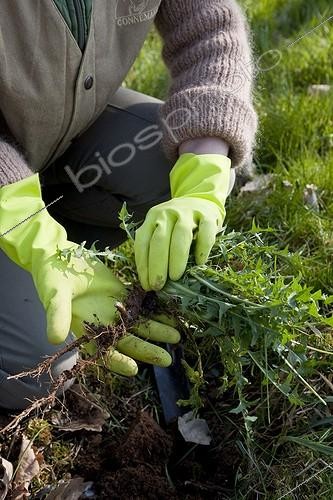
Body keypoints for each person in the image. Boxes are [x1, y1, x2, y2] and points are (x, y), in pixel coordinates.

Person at [0, 0, 257, 409]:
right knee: (42, 367)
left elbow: (211, 30)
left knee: (174, 171)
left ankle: (54, 234)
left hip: (62, 137)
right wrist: (28, 231)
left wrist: (203, 168)